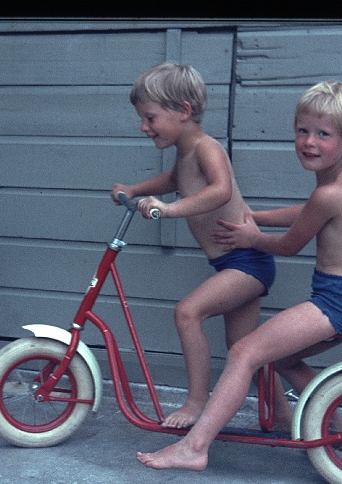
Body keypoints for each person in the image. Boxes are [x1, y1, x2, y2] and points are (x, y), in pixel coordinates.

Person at [137, 80, 342, 470]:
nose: (309, 142)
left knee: (244, 351)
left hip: (340, 300)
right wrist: (259, 216)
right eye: (302, 131)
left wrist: (254, 235)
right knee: (281, 358)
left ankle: (194, 448)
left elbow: (289, 245)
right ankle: (338, 431)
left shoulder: (329, 194)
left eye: (322, 134)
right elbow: (308, 212)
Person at [111, 62, 276, 429]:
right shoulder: (185, 155)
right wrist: (135, 190)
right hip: (233, 263)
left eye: (150, 118)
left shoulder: (207, 147)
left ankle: (196, 402)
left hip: (247, 261)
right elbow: (174, 179)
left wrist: (168, 211)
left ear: (184, 111)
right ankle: (281, 415)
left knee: (188, 313)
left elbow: (221, 190)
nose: (144, 127)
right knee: (245, 348)